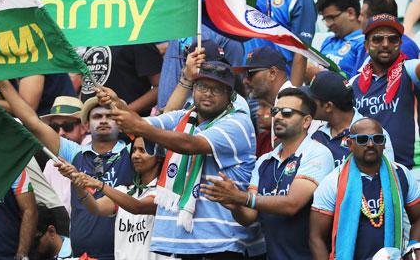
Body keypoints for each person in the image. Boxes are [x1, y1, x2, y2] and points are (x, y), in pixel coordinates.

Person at [103, 56, 264, 258]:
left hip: (224, 243)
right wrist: (116, 103)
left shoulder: (238, 122)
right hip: (185, 243)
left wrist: (137, 125)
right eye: (202, 86)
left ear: (230, 96)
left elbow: (189, 144)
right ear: (193, 89)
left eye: (217, 89)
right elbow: (145, 125)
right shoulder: (183, 118)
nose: (208, 94)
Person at [0, 80, 134, 260]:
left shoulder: (132, 153)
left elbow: (147, 130)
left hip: (123, 253)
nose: (103, 120)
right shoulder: (75, 154)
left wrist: (118, 104)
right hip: (80, 255)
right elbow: (33, 122)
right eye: (97, 116)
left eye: (110, 116)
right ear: (86, 125)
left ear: (120, 122)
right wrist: (4, 85)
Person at [201, 87, 334, 260]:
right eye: (275, 111)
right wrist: (234, 204)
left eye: (287, 113)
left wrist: (240, 197)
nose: (278, 116)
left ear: (306, 121)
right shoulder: (264, 160)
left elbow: (292, 204)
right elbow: (249, 216)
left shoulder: (317, 153)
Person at [310, 118, 420, 260]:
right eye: (362, 139)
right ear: (350, 143)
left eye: (377, 139)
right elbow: (316, 237)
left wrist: (414, 245)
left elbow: (418, 217)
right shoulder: (332, 182)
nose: (370, 144)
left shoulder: (401, 174)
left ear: (384, 143)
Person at [64, 137, 170, 260]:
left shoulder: (166, 193)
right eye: (134, 150)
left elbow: (137, 206)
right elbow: (96, 208)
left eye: (142, 150)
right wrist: (78, 184)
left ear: (160, 156)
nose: (135, 155)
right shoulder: (124, 191)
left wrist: (99, 184)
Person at [352, 14, 420, 174]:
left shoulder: (410, 70)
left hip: (411, 170)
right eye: (377, 39)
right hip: (370, 172)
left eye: (393, 39)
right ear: (366, 45)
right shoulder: (355, 82)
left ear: (400, 44)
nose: (385, 44)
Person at [308, 70, 393, 166]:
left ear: (328, 106)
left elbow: (386, 175)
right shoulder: (313, 131)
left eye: (311, 101)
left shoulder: (375, 135)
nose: (307, 104)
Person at [340, 0, 420, 78]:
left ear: (375, 19)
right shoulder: (367, 42)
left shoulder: (405, 47)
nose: (359, 19)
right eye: (377, 40)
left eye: (362, 15)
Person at [79, 44, 162, 116]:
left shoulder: (137, 36)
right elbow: (86, 85)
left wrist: (121, 113)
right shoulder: (91, 37)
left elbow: (160, 88)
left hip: (128, 128)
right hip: (90, 127)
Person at [40, 96, 89, 213]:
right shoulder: (51, 163)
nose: (61, 133)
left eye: (67, 126)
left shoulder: (93, 154)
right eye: (55, 128)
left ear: (83, 127)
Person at [315, 0, 363, 68]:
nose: (328, 24)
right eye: (326, 19)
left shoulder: (364, 44)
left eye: (331, 18)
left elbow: (358, 80)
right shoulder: (328, 41)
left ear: (350, 13)